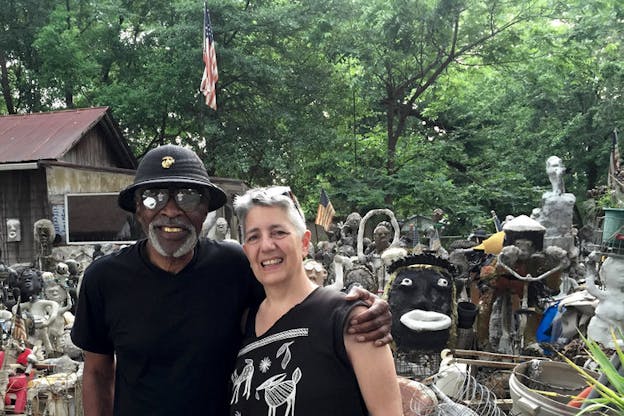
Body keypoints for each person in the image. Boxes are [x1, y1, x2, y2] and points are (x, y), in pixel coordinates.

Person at [70, 144, 392, 416]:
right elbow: (97, 374)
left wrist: (357, 307)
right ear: (138, 209)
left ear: (205, 211)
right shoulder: (104, 279)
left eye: (188, 198)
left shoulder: (234, 265)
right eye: (153, 198)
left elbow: (290, 301)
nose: (170, 212)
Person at [230, 187, 402, 416]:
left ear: (304, 242)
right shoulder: (243, 323)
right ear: (246, 251)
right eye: (254, 237)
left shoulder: (354, 321)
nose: (266, 246)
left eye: (278, 232)